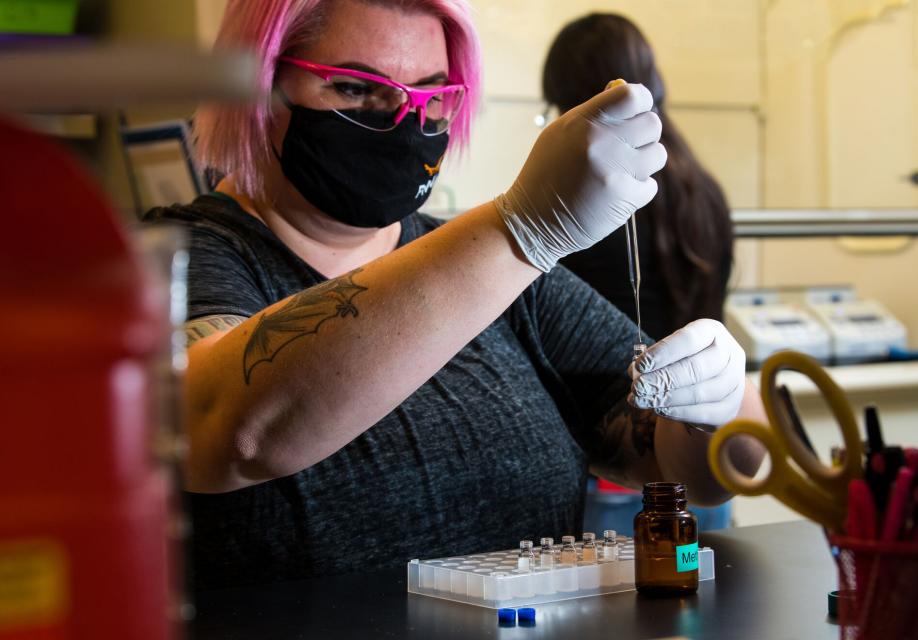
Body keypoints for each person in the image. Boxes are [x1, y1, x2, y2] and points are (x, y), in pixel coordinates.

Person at [145, 0, 764, 589]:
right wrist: (518, 229)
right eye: (355, 89)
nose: (404, 122)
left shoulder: (503, 278)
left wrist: (716, 411)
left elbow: (671, 458)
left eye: (432, 95)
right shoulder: (181, 253)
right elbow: (225, 427)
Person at [543, 14, 738, 531]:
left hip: (618, 462)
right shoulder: (704, 193)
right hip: (700, 448)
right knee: (705, 602)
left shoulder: (580, 200)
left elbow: (555, 339)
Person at [543, 13, 734, 343]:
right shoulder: (704, 191)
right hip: (697, 389)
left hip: (610, 390)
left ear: (580, 106)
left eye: (562, 108)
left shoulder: (582, 200)